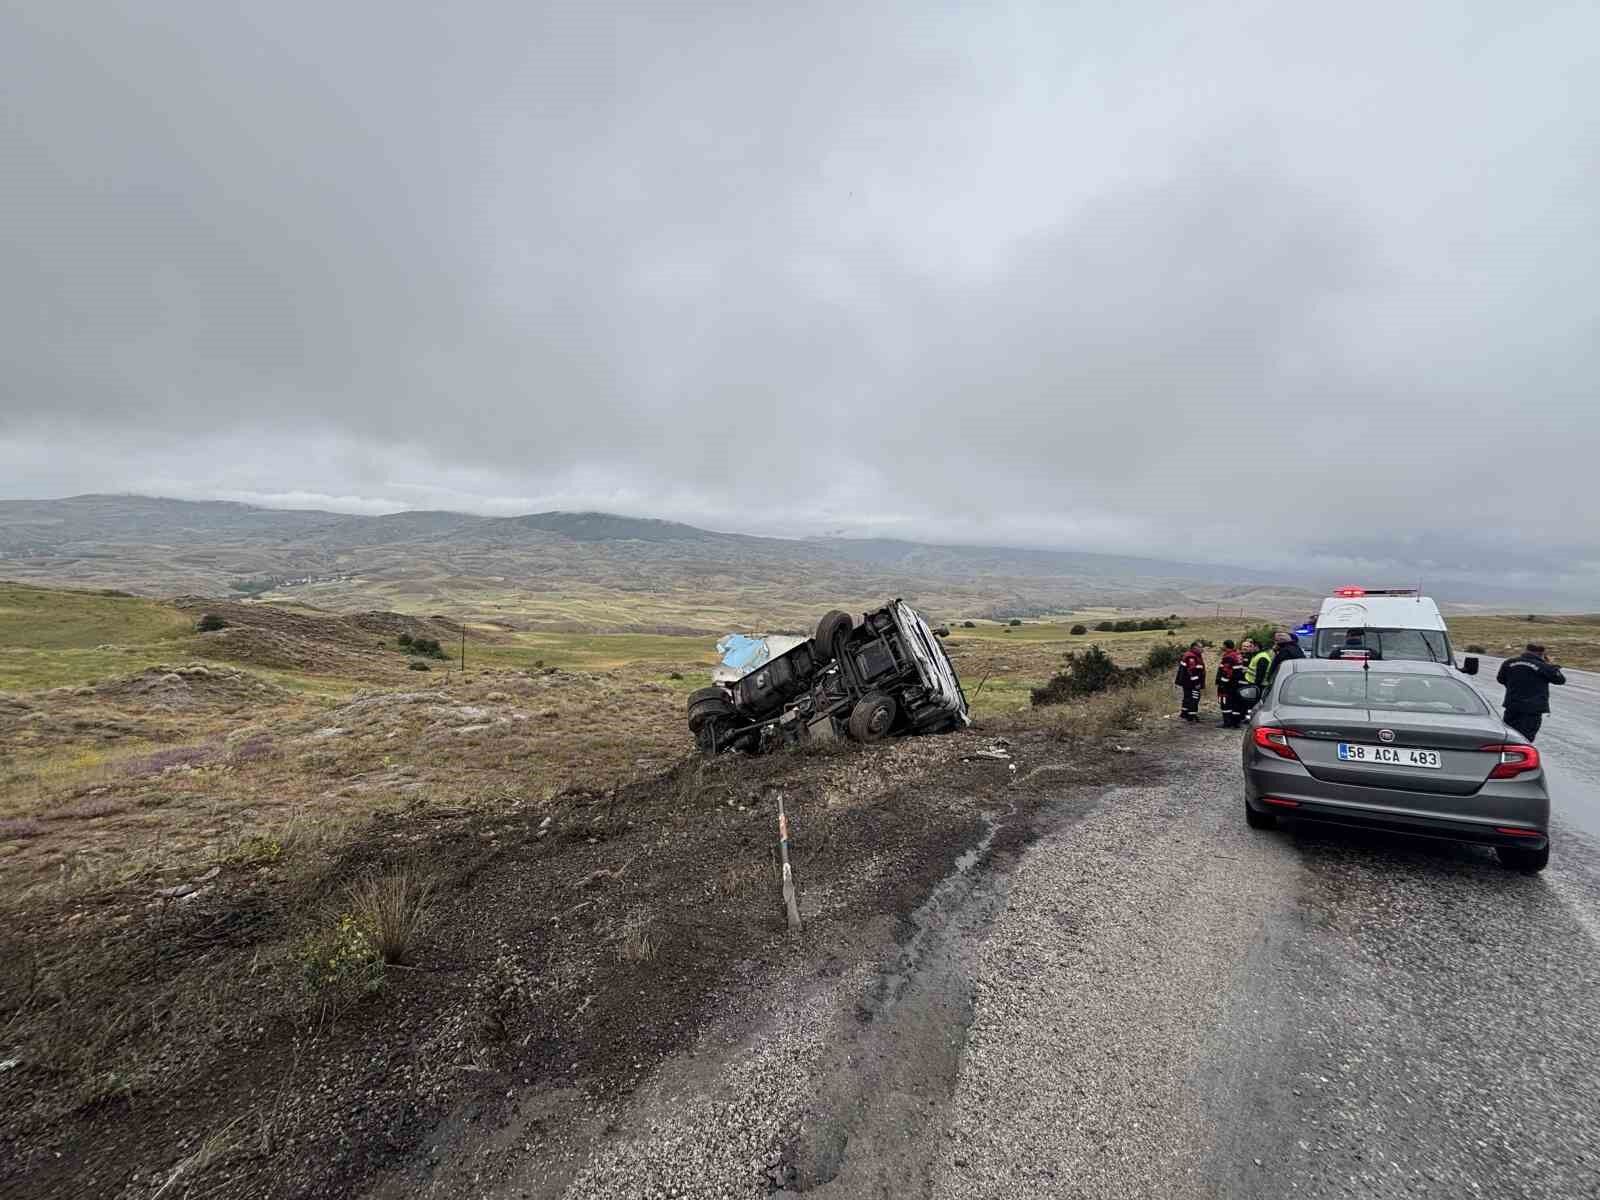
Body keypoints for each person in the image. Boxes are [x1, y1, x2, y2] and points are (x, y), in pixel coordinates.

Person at [1496, 643, 1565, 742]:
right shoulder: (1543, 666)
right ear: (1541, 654)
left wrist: (1514, 686)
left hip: (1512, 705)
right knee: (1526, 738)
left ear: (1526, 650)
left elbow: (1500, 679)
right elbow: (1560, 680)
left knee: (1509, 735)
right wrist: (1551, 666)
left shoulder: (1509, 662)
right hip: (1532, 709)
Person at [1241, 637, 1273, 716]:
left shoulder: (1262, 657)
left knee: (1255, 704)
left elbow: (1260, 674)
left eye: (1251, 646)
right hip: (1254, 683)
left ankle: (1253, 717)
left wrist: (1255, 686)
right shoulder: (1256, 655)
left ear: (1256, 647)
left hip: (1259, 685)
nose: (1249, 648)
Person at [1216, 640, 1245, 728]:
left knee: (1225, 703)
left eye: (1223, 645)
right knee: (1235, 703)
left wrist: (1222, 683)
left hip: (1228, 685)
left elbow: (1227, 672)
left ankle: (1227, 722)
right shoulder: (1237, 655)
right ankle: (1235, 722)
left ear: (1226, 646)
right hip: (1236, 683)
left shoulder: (1228, 657)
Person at [1175, 640, 1205, 722]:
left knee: (1187, 697)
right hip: (1191, 683)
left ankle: (1184, 713)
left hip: (1187, 682)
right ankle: (1191, 716)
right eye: (1200, 647)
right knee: (1194, 698)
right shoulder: (1192, 657)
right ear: (1194, 648)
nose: (1202, 649)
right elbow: (1192, 671)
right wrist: (1196, 683)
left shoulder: (1191, 655)